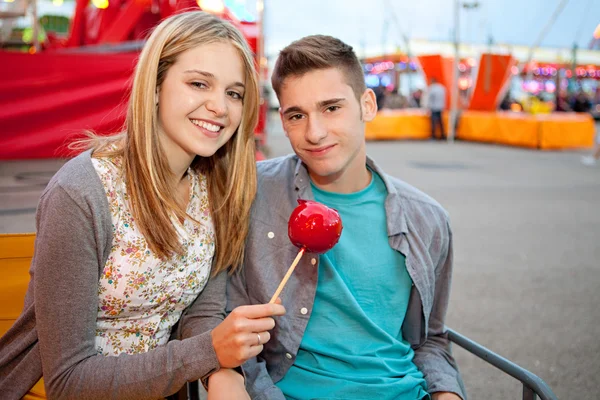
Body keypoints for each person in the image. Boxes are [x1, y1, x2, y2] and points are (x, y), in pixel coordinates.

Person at [0, 11, 285, 400]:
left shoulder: (217, 187)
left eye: (234, 93)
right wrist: (209, 353)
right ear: (154, 86)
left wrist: (224, 373)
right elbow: (68, 381)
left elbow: (201, 312)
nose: (220, 107)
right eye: (199, 83)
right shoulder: (81, 192)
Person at [226, 35, 465, 400]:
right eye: (296, 115)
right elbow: (228, 329)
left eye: (331, 108)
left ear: (366, 105)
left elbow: (431, 339)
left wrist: (448, 394)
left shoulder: (428, 220)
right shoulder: (250, 194)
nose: (314, 133)